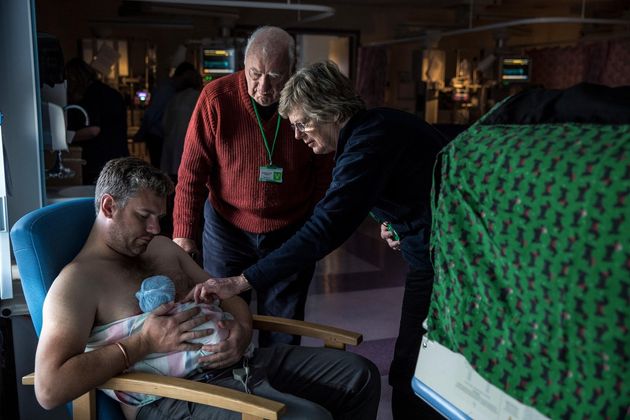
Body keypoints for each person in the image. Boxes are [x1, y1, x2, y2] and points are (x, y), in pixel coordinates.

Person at [187, 61, 447, 419]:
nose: (297, 136)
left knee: (411, 368)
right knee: (418, 363)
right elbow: (410, 186)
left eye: (302, 123)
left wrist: (243, 280)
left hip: (447, 262)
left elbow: (327, 226)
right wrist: (397, 220)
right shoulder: (373, 130)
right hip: (434, 253)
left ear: (330, 111)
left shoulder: (369, 141)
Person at [34, 156, 380, 420]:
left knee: (359, 376)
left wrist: (242, 332)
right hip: (174, 395)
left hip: (242, 362)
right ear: (109, 206)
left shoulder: (163, 249)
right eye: (144, 216)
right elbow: (49, 389)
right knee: (309, 418)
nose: (156, 228)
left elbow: (226, 296)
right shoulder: (77, 283)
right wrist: (142, 343)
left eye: (160, 217)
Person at [173, 26, 334, 347]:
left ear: (292, 69)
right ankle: (235, 390)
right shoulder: (216, 98)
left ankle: (275, 388)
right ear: (243, 66)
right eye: (255, 74)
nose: (263, 87)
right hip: (227, 229)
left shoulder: (309, 102)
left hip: (290, 228)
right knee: (225, 320)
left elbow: (325, 171)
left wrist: (312, 225)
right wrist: (184, 235)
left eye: (276, 76)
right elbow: (192, 173)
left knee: (284, 325)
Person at [65, 57, 129, 185]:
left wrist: (66, 138)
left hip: (100, 161)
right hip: (120, 156)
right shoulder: (111, 92)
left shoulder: (91, 95)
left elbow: (93, 130)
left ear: (75, 78)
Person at [135, 61, 198, 167]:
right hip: (157, 137)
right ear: (181, 76)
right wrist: (142, 133)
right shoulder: (168, 90)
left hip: (165, 139)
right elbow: (152, 114)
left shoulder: (176, 94)